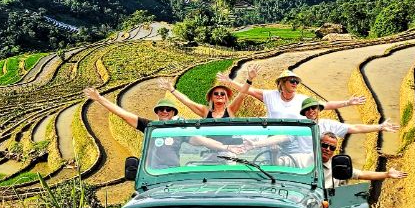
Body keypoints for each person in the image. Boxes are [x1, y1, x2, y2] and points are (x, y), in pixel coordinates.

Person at [83, 87, 238, 167]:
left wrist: (227, 147)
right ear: (157, 112)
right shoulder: (150, 126)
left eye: (168, 109)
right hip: (153, 172)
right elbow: (123, 114)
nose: (164, 111)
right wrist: (99, 99)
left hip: (172, 171)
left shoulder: (179, 131)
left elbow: (203, 141)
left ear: (173, 113)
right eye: (161, 109)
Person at [218, 67, 365, 119]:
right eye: (292, 81)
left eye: (296, 81)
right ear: (282, 83)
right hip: (272, 141)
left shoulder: (303, 100)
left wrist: (348, 102)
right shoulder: (270, 96)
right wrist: (229, 81)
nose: (295, 83)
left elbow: (326, 105)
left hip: (295, 141)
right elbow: (247, 90)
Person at [157, 65, 258, 118]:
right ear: (211, 97)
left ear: (226, 97)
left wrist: (249, 79)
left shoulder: (230, 110)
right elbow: (187, 101)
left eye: (222, 94)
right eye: (216, 93)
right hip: (211, 147)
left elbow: (242, 93)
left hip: (230, 147)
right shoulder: (205, 111)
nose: (219, 95)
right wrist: (172, 89)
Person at [320, 132, 407, 189]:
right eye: (324, 145)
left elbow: (361, 174)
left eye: (332, 148)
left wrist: (387, 174)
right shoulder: (310, 163)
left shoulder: (337, 166)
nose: (328, 149)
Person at [300, 96, 400, 138]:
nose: (311, 111)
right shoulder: (297, 126)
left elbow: (355, 128)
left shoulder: (328, 124)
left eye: (313, 108)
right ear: (304, 112)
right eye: (307, 109)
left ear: (319, 109)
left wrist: (380, 127)